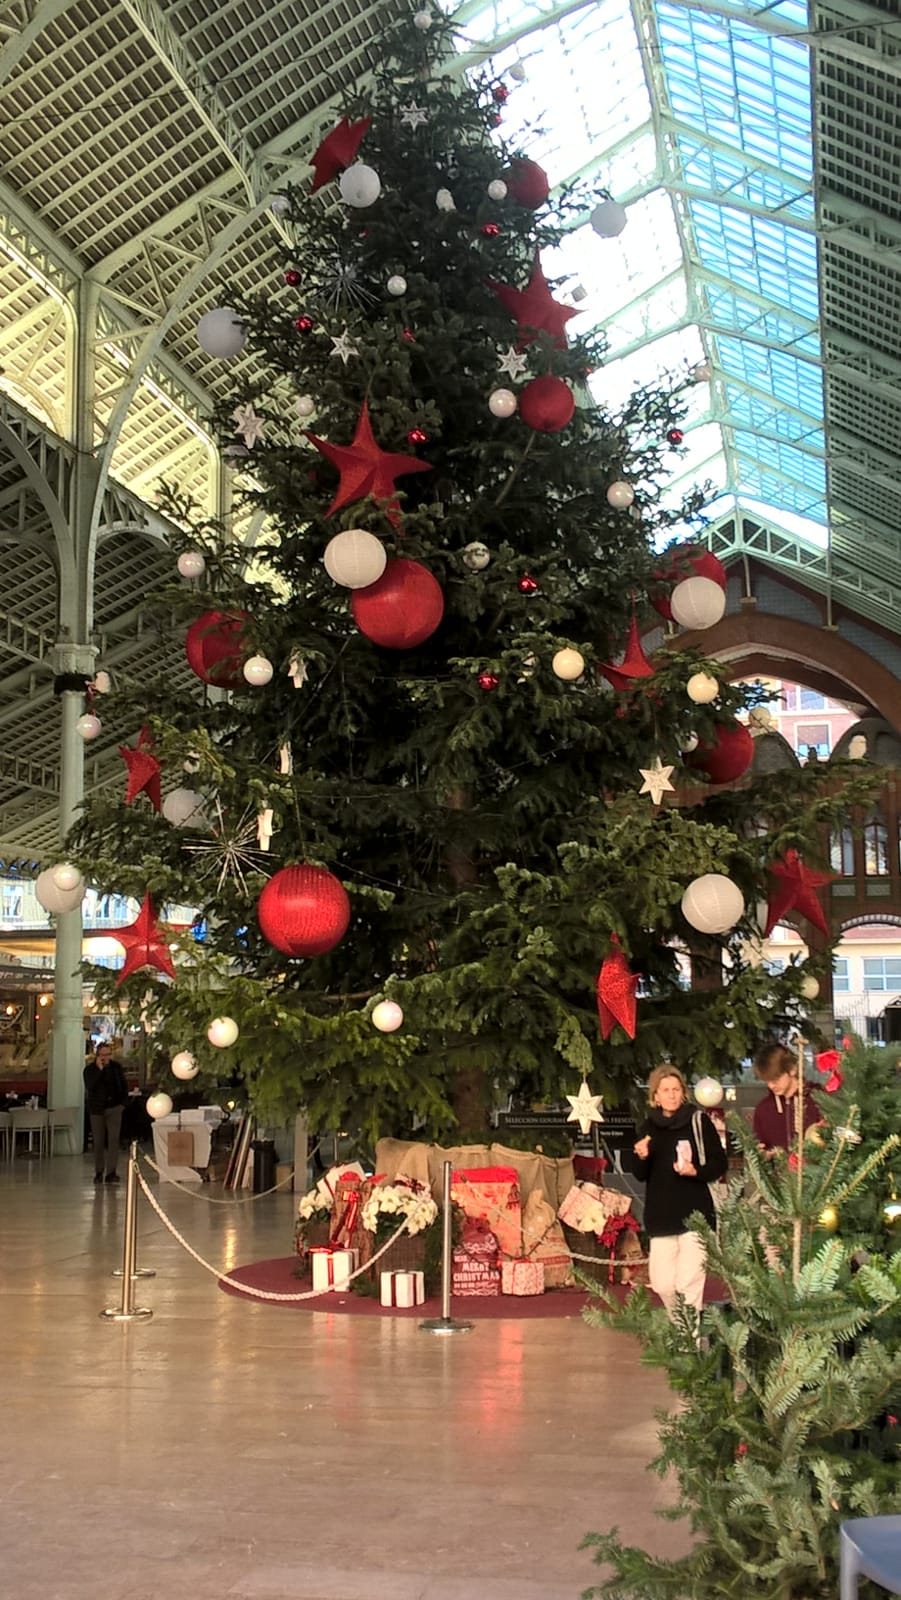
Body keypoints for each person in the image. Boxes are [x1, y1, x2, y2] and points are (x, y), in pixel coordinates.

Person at [631, 1064, 728, 1322]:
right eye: (666, 1090)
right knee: (662, 1284)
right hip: (661, 1217)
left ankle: (688, 1341)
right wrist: (641, 1156)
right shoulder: (648, 1127)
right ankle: (680, 1328)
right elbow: (640, 1174)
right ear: (655, 1095)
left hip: (695, 1215)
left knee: (689, 1283)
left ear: (683, 1092)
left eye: (676, 1089)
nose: (672, 1095)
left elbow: (719, 1163)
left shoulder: (698, 1121)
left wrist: (696, 1171)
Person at [752, 1042, 822, 1152]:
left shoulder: (819, 1100)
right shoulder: (763, 1110)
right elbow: (760, 1146)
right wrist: (763, 1154)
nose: (771, 1086)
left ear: (792, 1070)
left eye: (775, 1079)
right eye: (767, 1081)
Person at [83, 1043, 128, 1184]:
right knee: (98, 1142)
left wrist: (122, 1104)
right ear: (98, 1055)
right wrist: (99, 1070)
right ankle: (99, 1171)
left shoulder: (116, 1068)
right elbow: (90, 1086)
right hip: (97, 1109)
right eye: (103, 1055)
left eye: (108, 1054)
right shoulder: (89, 1070)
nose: (106, 1058)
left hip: (114, 1108)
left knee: (113, 1140)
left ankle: (111, 1172)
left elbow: (123, 1085)